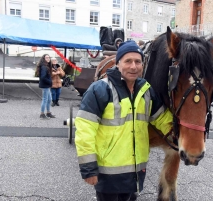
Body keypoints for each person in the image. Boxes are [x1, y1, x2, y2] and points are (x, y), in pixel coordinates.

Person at [74, 41, 173, 201]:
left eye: (137, 61)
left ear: (143, 64)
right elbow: (85, 130)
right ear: (118, 63)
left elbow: (162, 118)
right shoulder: (100, 89)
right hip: (108, 174)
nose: (133, 66)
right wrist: (89, 168)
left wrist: (184, 136)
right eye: (128, 61)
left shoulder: (146, 91)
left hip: (134, 173)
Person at [36, 54, 55, 119]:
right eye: (46, 57)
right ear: (43, 59)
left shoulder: (46, 66)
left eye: (49, 57)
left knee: (49, 99)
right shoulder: (44, 67)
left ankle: (48, 112)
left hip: (46, 85)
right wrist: (50, 82)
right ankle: (42, 114)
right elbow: (43, 77)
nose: (48, 58)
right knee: (45, 99)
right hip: (45, 85)